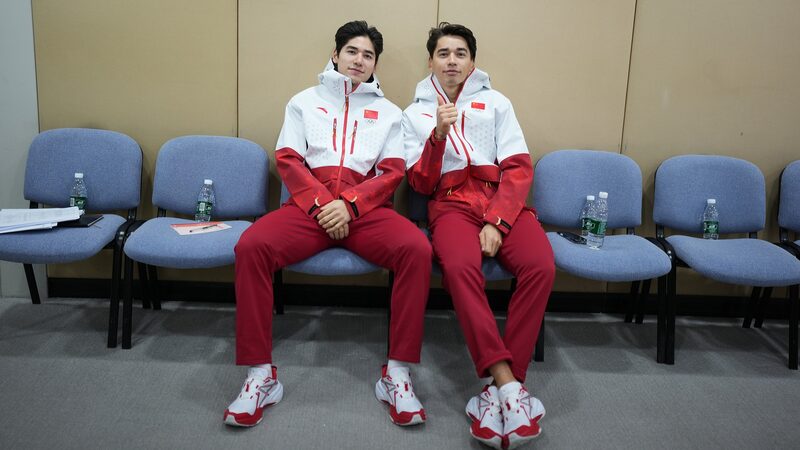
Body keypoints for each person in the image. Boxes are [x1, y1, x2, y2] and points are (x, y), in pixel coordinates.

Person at [224, 20, 431, 429]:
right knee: (251, 246)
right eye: (352, 51)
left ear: (375, 64)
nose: (359, 60)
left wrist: (350, 206)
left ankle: (398, 374)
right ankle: (260, 375)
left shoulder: (389, 113)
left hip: (367, 211)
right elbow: (288, 159)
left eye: (368, 55)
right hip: (309, 207)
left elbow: (392, 171)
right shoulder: (303, 101)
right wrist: (324, 205)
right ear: (336, 55)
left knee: (417, 250)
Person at [403, 23, 555, 449]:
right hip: (449, 203)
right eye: (443, 53)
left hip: (500, 200)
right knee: (460, 269)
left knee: (541, 266)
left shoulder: (496, 102)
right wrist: (437, 136)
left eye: (461, 53)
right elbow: (418, 184)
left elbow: (519, 166)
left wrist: (499, 221)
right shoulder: (413, 111)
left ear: (472, 60)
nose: (452, 60)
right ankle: (509, 386)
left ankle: (493, 394)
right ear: (430, 60)